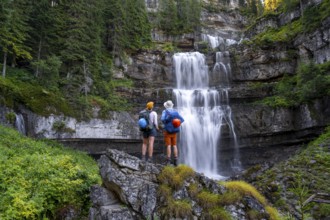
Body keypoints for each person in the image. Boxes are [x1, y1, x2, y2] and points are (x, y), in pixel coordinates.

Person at [161, 100, 184, 166]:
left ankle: (168, 160)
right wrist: (175, 123)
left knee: (168, 145)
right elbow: (182, 120)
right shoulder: (175, 112)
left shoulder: (165, 111)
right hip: (174, 131)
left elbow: (162, 119)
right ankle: (175, 160)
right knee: (174, 145)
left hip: (167, 131)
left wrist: (167, 123)